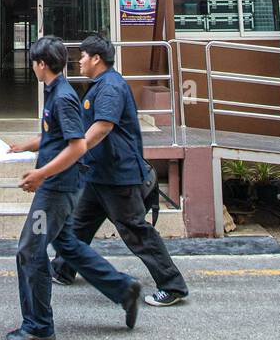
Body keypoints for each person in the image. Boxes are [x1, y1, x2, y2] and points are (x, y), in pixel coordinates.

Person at [5, 35, 142, 340]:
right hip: (60, 185)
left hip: (56, 189)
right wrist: (23, 147)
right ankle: (123, 289)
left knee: (30, 250)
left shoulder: (63, 97)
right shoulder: (56, 92)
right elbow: (57, 136)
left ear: (41, 64)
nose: (33, 68)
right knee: (67, 244)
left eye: (34, 63)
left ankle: (39, 325)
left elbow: (78, 145)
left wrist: (40, 174)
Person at [51, 35, 189, 307]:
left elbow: (103, 126)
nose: (78, 61)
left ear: (96, 59)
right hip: (98, 173)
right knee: (78, 224)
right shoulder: (100, 85)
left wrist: (74, 153)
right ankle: (63, 269)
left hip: (117, 175)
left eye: (83, 56)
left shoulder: (110, 87)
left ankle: (172, 285)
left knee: (135, 231)